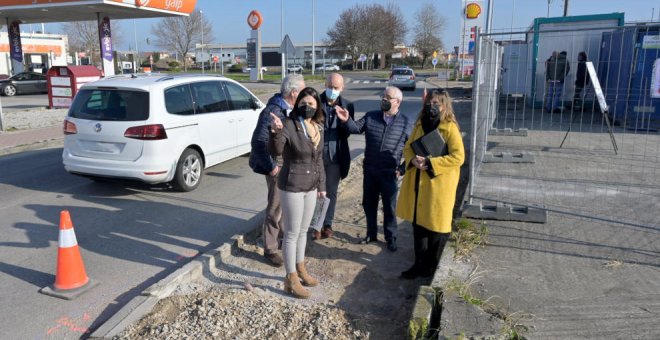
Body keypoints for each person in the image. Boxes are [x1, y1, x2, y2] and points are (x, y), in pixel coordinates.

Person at [396, 88, 465, 279]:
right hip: (418, 183)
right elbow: (408, 148)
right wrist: (413, 161)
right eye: (429, 102)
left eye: (436, 103)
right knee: (418, 226)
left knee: (435, 228)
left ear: (444, 105)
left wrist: (431, 163)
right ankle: (418, 266)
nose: (431, 106)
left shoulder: (450, 128)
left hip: (438, 186)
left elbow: (458, 157)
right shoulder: (419, 124)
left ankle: (431, 268)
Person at [337, 86, 411, 252]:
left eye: (388, 97)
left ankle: (391, 237)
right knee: (369, 204)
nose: (383, 100)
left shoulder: (406, 123)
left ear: (397, 102)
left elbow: (414, 149)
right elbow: (354, 128)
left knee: (389, 207)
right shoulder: (371, 116)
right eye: (383, 97)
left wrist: (403, 168)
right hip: (370, 171)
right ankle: (371, 234)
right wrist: (346, 119)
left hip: (389, 173)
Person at [269, 87, 326, 299]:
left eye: (311, 104)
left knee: (303, 231)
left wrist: (322, 186)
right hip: (292, 184)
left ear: (317, 106)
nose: (307, 107)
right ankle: (290, 277)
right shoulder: (287, 125)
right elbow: (275, 151)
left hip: (311, 186)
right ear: (296, 104)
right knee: (291, 234)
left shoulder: (317, 126)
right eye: (303, 103)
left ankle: (301, 269)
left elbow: (319, 159)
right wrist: (275, 132)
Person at [248, 74, 305, 267]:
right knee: (275, 207)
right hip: (277, 164)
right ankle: (270, 249)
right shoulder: (273, 111)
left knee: (283, 206)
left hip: (287, 163)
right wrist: (272, 168)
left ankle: (281, 239)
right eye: (302, 91)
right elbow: (258, 142)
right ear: (294, 92)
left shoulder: (289, 109)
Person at [314, 73, 355, 240]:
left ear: (342, 88)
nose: (332, 90)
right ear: (325, 84)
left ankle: (328, 224)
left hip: (335, 156)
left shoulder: (347, 105)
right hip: (316, 156)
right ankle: (316, 224)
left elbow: (349, 132)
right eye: (330, 86)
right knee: (317, 192)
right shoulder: (315, 102)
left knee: (331, 191)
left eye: (336, 88)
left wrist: (345, 121)